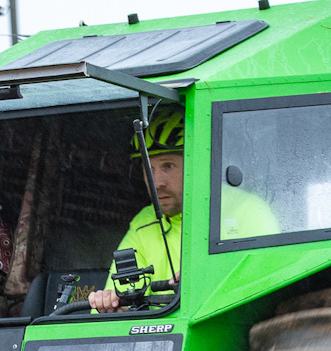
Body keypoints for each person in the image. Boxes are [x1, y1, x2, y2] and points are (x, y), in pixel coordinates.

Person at [89, 106, 277, 312]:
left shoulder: (247, 210)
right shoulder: (144, 222)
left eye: (168, 166)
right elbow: (121, 291)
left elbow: (270, 285)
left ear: (197, 163)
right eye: (148, 169)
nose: (156, 182)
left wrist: (208, 280)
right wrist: (112, 305)